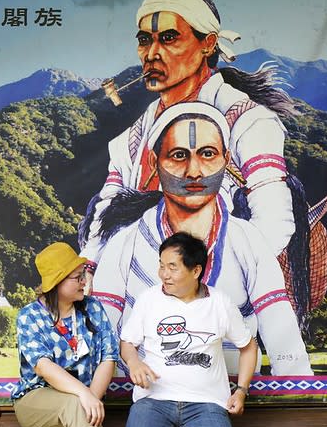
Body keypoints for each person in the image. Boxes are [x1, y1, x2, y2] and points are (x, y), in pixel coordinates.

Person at [78, 0, 327, 326]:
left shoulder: (248, 120)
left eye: (169, 38)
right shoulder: (130, 140)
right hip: (139, 300)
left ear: (208, 43)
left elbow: (272, 223)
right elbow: (105, 219)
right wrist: (87, 271)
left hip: (218, 297)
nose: (152, 53)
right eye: (145, 40)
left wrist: (208, 288)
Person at [92, 102, 312, 376]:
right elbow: (102, 331)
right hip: (149, 389)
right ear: (153, 161)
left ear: (226, 159)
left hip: (224, 389)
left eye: (208, 154)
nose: (194, 171)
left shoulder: (246, 241)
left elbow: (280, 329)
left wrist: (297, 395)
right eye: (178, 155)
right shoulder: (125, 244)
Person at [120, 232, 257, 427]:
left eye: (173, 268)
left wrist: (241, 391)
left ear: (196, 271)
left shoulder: (219, 302)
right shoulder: (149, 298)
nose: (164, 275)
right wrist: (134, 363)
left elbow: (248, 347)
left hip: (206, 405)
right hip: (153, 402)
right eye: (161, 266)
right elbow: (127, 342)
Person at [12, 242, 119, 427]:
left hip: (83, 403)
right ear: (57, 282)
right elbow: (43, 366)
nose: (84, 282)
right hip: (36, 401)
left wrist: (92, 401)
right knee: (74, 405)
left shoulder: (92, 307)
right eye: (77, 277)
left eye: (84, 274)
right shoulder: (30, 315)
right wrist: (84, 396)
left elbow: (109, 357)